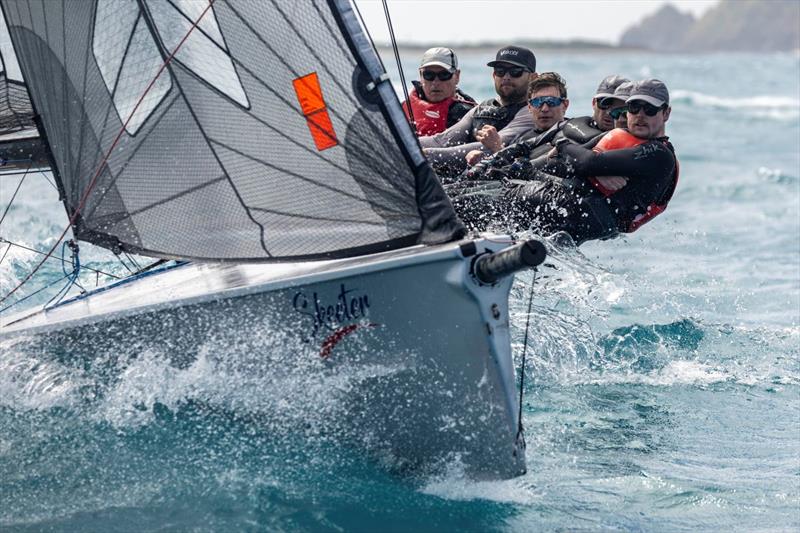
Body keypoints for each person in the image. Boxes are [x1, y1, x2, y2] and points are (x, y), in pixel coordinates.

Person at [451, 78, 679, 245]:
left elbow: (586, 163)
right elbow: (565, 160)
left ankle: (438, 238)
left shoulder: (658, 155)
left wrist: (561, 146)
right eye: (633, 108)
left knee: (469, 204)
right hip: (564, 203)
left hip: (576, 211)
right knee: (472, 192)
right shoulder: (619, 139)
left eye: (649, 109)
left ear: (666, 114)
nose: (639, 115)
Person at [419, 45, 537, 179]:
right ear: (494, 75)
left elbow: (487, 148)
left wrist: (426, 155)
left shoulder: (532, 112)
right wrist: (405, 142)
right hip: (469, 179)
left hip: (500, 182)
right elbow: (441, 141)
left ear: (532, 77)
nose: (506, 77)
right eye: (500, 71)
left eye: (515, 71)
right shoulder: (481, 108)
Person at [465, 71, 570, 165]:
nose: (544, 108)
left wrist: (497, 149)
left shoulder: (573, 133)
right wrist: (482, 159)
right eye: (537, 102)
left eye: (551, 101)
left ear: (565, 105)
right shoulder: (521, 139)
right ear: (529, 107)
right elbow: (510, 172)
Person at [401, 47, 476, 136]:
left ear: (457, 76)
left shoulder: (470, 115)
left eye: (444, 75)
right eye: (428, 75)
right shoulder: (400, 110)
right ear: (420, 75)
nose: (435, 83)